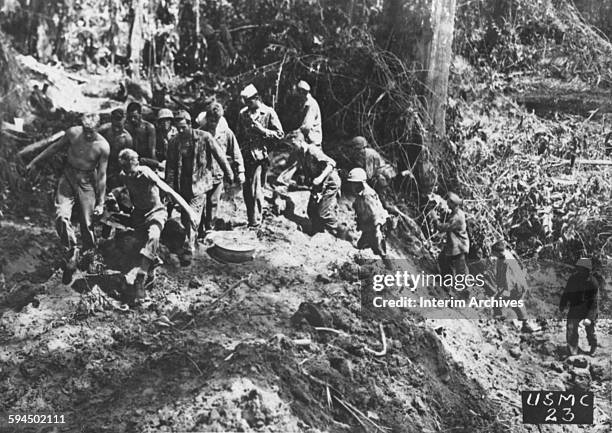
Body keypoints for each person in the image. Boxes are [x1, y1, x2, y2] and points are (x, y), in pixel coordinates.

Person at [26, 113, 110, 284]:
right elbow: (54, 148)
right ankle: (72, 250)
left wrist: (101, 202)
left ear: (98, 128)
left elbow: (102, 176)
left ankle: (89, 255)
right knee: (61, 215)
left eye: (91, 131)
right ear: (81, 126)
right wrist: (35, 161)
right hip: (68, 177)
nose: (87, 135)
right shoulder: (72, 133)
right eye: (85, 130)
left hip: (87, 181)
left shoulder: (102, 146)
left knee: (88, 222)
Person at [117, 149, 198, 299]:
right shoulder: (124, 176)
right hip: (139, 215)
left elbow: (169, 191)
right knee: (141, 245)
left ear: (136, 163)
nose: (130, 174)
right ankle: (152, 267)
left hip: (156, 212)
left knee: (153, 236)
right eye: (126, 170)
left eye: (131, 170)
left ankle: (140, 279)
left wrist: (189, 211)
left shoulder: (146, 172)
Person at [165, 110, 234, 265]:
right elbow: (170, 167)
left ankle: (189, 248)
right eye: (178, 128)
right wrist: (169, 188)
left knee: (192, 215)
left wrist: (229, 173)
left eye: (183, 127)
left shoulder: (204, 137)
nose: (181, 131)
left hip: (199, 184)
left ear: (190, 124)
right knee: (184, 216)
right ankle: (192, 239)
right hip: (182, 186)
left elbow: (220, 156)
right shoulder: (174, 142)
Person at [236, 84, 284, 227]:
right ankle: (251, 219)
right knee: (246, 191)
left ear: (257, 98)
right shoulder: (243, 114)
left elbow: (280, 135)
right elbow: (238, 135)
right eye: (245, 102)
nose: (247, 105)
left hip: (260, 156)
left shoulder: (268, 113)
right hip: (245, 156)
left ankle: (256, 222)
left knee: (256, 190)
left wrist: (263, 130)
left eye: (250, 101)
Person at [198, 102, 245, 236]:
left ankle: (209, 229)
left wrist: (240, 171)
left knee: (213, 202)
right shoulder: (200, 131)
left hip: (217, 173)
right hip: (201, 174)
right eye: (210, 119)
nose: (213, 122)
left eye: (216, 120)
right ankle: (198, 228)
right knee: (200, 202)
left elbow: (236, 152)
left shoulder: (226, 133)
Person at [277, 136, 340, 234]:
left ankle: (338, 231)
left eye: (293, 145)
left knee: (323, 213)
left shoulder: (312, 150)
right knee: (311, 210)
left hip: (330, 182)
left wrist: (319, 179)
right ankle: (318, 231)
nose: (292, 148)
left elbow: (331, 163)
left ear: (300, 142)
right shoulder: (300, 154)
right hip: (318, 184)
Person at [491, 240, 540, 332]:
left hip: (517, 285)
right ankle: (525, 324)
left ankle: (500, 322)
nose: (493, 255)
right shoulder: (505, 255)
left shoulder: (506, 261)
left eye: (494, 253)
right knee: (517, 303)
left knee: (500, 301)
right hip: (518, 284)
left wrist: (502, 292)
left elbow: (508, 280)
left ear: (497, 252)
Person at [560, 258, 602, 356]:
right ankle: (573, 349)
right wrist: (563, 304)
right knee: (571, 327)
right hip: (575, 308)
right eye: (578, 268)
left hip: (588, 309)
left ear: (587, 270)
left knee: (590, 329)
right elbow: (567, 292)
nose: (580, 271)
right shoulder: (573, 279)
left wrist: (589, 318)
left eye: (582, 269)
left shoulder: (593, 282)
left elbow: (594, 303)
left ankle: (593, 345)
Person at [346, 168, 389, 258]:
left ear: (360, 183)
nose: (352, 186)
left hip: (376, 226)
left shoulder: (367, 195)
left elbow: (375, 214)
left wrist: (377, 231)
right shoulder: (360, 194)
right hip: (369, 226)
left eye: (354, 183)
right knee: (361, 245)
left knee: (379, 249)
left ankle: (389, 267)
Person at [349, 136, 398, 213]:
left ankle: (392, 211)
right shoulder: (361, 155)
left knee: (384, 203)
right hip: (377, 177)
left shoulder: (369, 155)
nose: (356, 151)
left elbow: (369, 174)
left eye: (357, 149)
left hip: (382, 177)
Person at [434, 192, 469, 279]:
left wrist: (435, 219)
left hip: (459, 246)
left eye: (449, 202)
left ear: (453, 204)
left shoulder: (457, 217)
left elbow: (442, 228)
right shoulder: (457, 212)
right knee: (443, 259)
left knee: (461, 270)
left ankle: (449, 283)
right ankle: (446, 280)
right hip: (456, 244)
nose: (447, 204)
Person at [99, 108, 133, 189]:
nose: (116, 128)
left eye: (119, 125)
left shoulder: (127, 139)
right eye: (115, 122)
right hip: (100, 162)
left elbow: (127, 159)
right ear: (111, 119)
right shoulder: (104, 130)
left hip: (115, 168)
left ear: (124, 121)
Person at [125, 102, 159, 169]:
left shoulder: (149, 128)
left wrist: (155, 165)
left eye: (135, 117)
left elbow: (152, 151)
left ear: (140, 115)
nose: (132, 120)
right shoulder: (126, 127)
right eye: (130, 117)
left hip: (145, 160)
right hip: (131, 160)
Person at [288, 80, 322, 147]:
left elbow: (306, 127)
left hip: (312, 141)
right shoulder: (304, 103)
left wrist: (293, 133)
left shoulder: (311, 104)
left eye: (298, 93)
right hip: (306, 139)